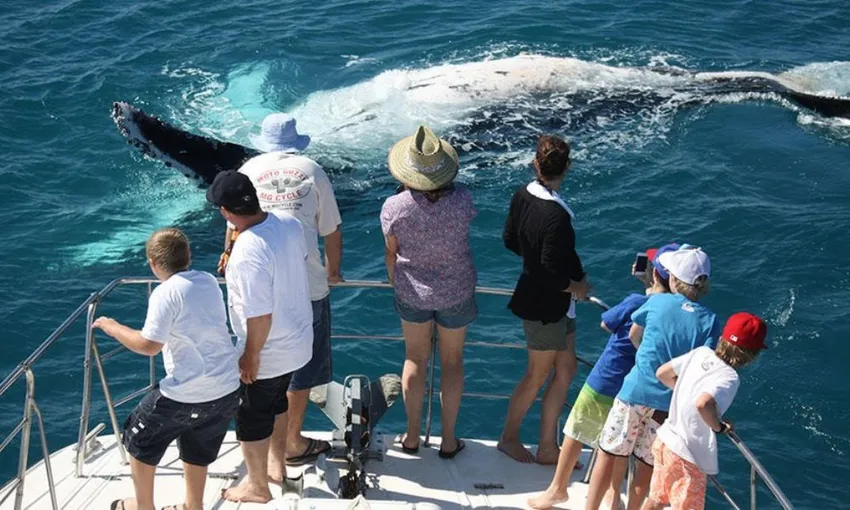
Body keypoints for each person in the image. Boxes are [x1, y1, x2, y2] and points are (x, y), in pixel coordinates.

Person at [223, 112, 343, 466]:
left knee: (264, 377)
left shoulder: (247, 170)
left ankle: (271, 457)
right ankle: (291, 442)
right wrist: (333, 271)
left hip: (257, 279)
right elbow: (331, 230)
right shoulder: (312, 169)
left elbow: (234, 223)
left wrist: (228, 253)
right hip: (306, 283)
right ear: (296, 141)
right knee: (300, 369)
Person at [92, 228, 240, 510]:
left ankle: (143, 507)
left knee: (138, 437)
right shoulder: (208, 280)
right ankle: (193, 506)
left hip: (187, 392)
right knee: (197, 445)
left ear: (153, 263)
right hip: (227, 390)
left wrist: (113, 327)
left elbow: (149, 346)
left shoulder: (165, 293)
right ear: (188, 256)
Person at [527, 244, 678, 510]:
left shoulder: (636, 301)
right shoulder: (671, 313)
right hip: (637, 389)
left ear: (653, 275)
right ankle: (612, 495)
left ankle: (557, 489)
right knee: (616, 444)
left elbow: (607, 323)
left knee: (576, 429)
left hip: (607, 378)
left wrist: (641, 288)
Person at [586, 246, 720, 510]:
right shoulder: (711, 321)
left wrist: (646, 360)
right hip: (665, 406)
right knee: (646, 466)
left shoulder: (657, 302)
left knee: (609, 453)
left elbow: (635, 334)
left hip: (633, 394)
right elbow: (702, 364)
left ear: (672, 279)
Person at [207, 171, 314, 503]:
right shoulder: (288, 223)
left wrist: (250, 357)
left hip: (271, 351)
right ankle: (276, 465)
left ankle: (257, 487)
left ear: (226, 212)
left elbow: (259, 315)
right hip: (299, 343)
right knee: (277, 401)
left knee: (251, 417)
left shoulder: (246, 253)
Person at [380, 125, 477, 459]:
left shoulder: (394, 207)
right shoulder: (463, 199)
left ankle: (411, 436)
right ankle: (449, 440)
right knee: (452, 362)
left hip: (412, 293)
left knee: (414, 358)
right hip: (457, 290)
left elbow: (390, 253)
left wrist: (397, 281)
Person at [499, 134, 590, 465]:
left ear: (536, 164)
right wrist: (576, 288)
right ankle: (509, 438)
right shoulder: (557, 216)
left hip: (554, 303)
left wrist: (535, 258)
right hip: (545, 306)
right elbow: (549, 274)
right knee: (537, 375)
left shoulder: (523, 195)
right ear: (568, 167)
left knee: (566, 368)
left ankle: (547, 446)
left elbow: (510, 239)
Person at [643, 312, 768, 510]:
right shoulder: (729, 377)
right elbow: (703, 404)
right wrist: (718, 426)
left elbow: (663, 373)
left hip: (665, 440)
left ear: (722, 338)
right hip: (687, 456)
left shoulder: (700, 352)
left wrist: (686, 392)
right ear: (751, 355)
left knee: (656, 499)